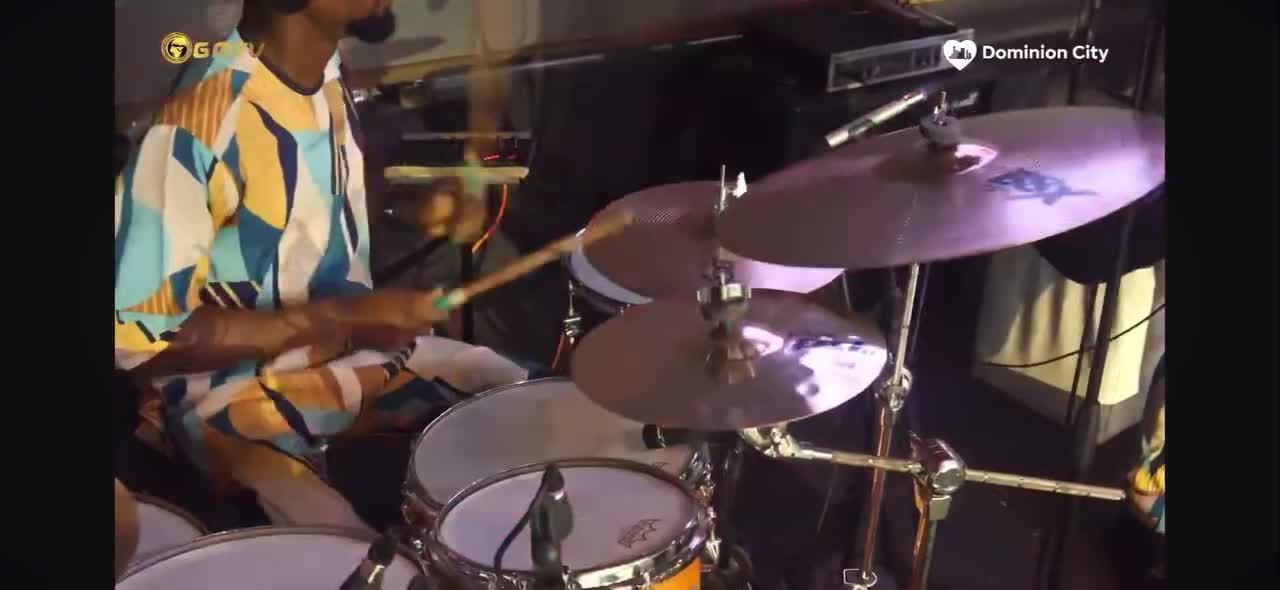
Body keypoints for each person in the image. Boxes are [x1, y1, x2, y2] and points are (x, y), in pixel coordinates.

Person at [114, 0, 528, 530]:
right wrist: (343, 318)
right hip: (232, 405)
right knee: (353, 555)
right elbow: (138, 342)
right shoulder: (200, 122)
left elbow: (309, 198)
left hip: (352, 360)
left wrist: (413, 206)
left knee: (538, 410)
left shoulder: (323, 69)